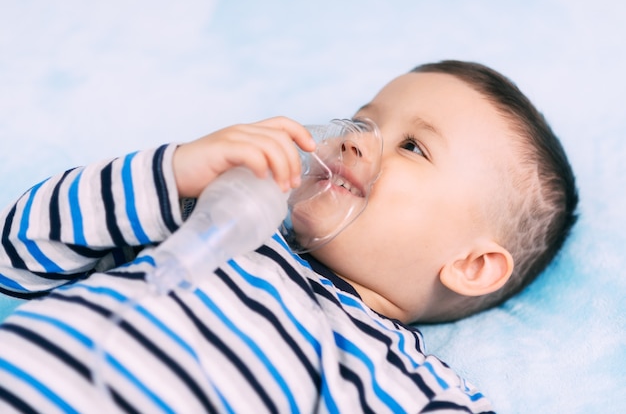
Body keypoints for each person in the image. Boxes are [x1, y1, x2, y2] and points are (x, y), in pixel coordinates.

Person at [0, 60, 578, 413]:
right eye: (363, 119)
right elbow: (18, 255)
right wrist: (173, 171)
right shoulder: (200, 218)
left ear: (471, 265)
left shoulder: (398, 378)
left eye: (412, 147)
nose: (354, 140)